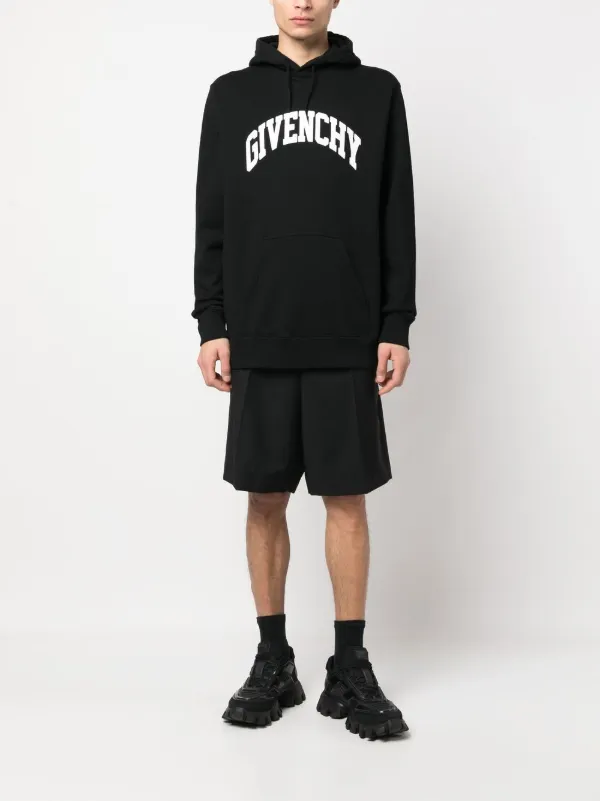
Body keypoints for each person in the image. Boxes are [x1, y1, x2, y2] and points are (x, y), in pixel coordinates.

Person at [191, 0, 416, 740]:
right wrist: (212, 321)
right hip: (259, 329)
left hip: (347, 330)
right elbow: (213, 215)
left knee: (346, 498)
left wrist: (395, 323)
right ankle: (273, 658)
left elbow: (395, 211)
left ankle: (350, 664)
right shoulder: (231, 95)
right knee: (265, 497)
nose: (303, 1)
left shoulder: (376, 91)